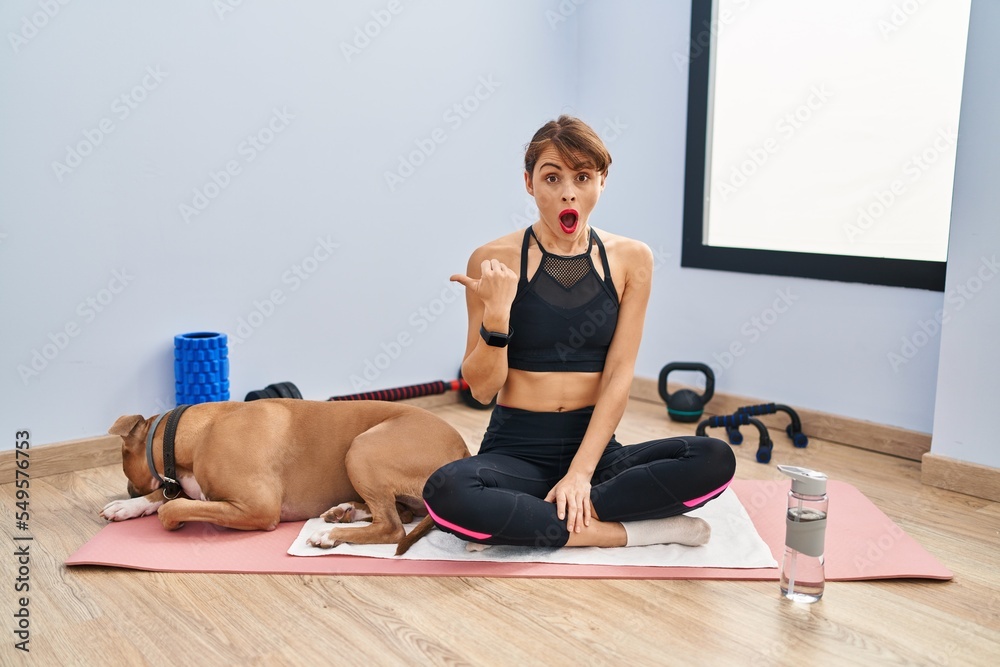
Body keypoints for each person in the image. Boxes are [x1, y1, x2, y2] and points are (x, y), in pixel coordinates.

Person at [422, 115, 735, 549]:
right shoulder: (491, 259)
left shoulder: (632, 259)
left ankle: (533, 519)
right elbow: (481, 390)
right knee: (445, 493)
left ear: (602, 181)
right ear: (529, 183)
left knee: (712, 458)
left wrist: (581, 473)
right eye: (552, 177)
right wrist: (497, 317)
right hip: (516, 450)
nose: (568, 191)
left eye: (583, 176)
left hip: (596, 449)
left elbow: (619, 374)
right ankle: (627, 533)